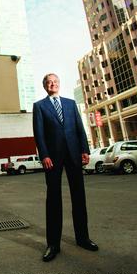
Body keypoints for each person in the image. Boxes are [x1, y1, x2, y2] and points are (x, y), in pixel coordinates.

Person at [32, 73, 98, 262]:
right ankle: (53, 244)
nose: (53, 84)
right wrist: (44, 154)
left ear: (59, 84)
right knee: (53, 199)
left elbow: (79, 128)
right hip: (52, 158)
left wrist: (84, 149)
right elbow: (39, 134)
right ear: (45, 86)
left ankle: (83, 238)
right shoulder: (39, 106)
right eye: (49, 82)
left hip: (74, 154)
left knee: (79, 196)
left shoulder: (70, 104)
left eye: (55, 81)